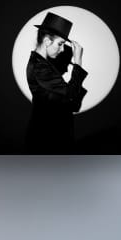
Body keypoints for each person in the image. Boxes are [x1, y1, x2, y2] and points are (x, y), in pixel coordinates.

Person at [25, 12, 88, 152]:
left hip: (51, 138)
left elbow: (71, 104)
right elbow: (72, 98)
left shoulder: (43, 65)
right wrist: (78, 62)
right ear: (47, 41)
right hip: (47, 141)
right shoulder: (40, 67)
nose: (61, 50)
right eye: (60, 44)